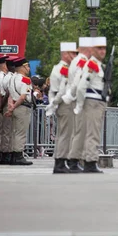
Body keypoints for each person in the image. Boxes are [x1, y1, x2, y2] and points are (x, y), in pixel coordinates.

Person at [74, 37, 108, 173]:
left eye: (104, 48)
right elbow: (82, 86)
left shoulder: (98, 65)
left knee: (92, 132)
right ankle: (90, 161)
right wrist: (80, 104)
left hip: (97, 101)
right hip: (92, 102)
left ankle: (87, 160)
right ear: (92, 50)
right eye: (99, 48)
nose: (102, 51)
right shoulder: (92, 64)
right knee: (92, 133)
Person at [61, 37, 93, 172]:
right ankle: (74, 160)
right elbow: (78, 83)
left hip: (74, 99)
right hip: (77, 100)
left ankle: (73, 160)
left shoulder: (77, 61)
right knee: (79, 132)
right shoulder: (82, 62)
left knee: (77, 131)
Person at [46, 42, 77, 174]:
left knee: (64, 134)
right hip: (65, 104)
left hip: (62, 104)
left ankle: (62, 161)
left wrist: (53, 103)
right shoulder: (64, 69)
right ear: (65, 54)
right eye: (72, 53)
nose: (75, 56)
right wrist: (56, 102)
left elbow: (52, 91)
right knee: (65, 134)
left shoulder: (60, 68)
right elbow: (61, 89)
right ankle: (60, 162)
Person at [5, 57, 33, 166]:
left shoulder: (12, 78)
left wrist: (11, 107)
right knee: (21, 133)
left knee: (14, 132)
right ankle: (18, 156)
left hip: (15, 107)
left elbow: (11, 95)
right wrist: (13, 107)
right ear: (23, 67)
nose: (28, 69)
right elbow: (22, 97)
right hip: (22, 107)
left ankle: (13, 155)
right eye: (27, 66)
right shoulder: (25, 79)